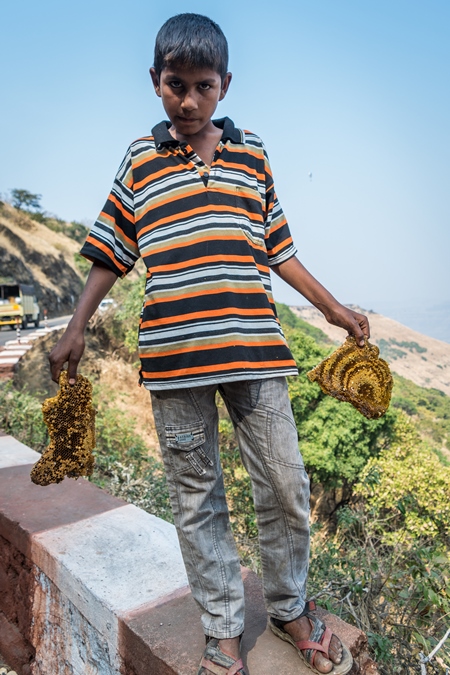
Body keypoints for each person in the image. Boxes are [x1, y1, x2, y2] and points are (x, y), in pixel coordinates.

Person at [49, 13, 369, 675]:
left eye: (202, 85)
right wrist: (77, 324)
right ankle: (223, 631)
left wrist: (334, 307)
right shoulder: (139, 159)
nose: (188, 100)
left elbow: (279, 248)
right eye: (175, 84)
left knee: (284, 483)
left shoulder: (253, 154)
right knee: (198, 499)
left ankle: (288, 605)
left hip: (256, 353)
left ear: (225, 85)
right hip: (175, 362)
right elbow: (111, 252)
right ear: (154, 81)